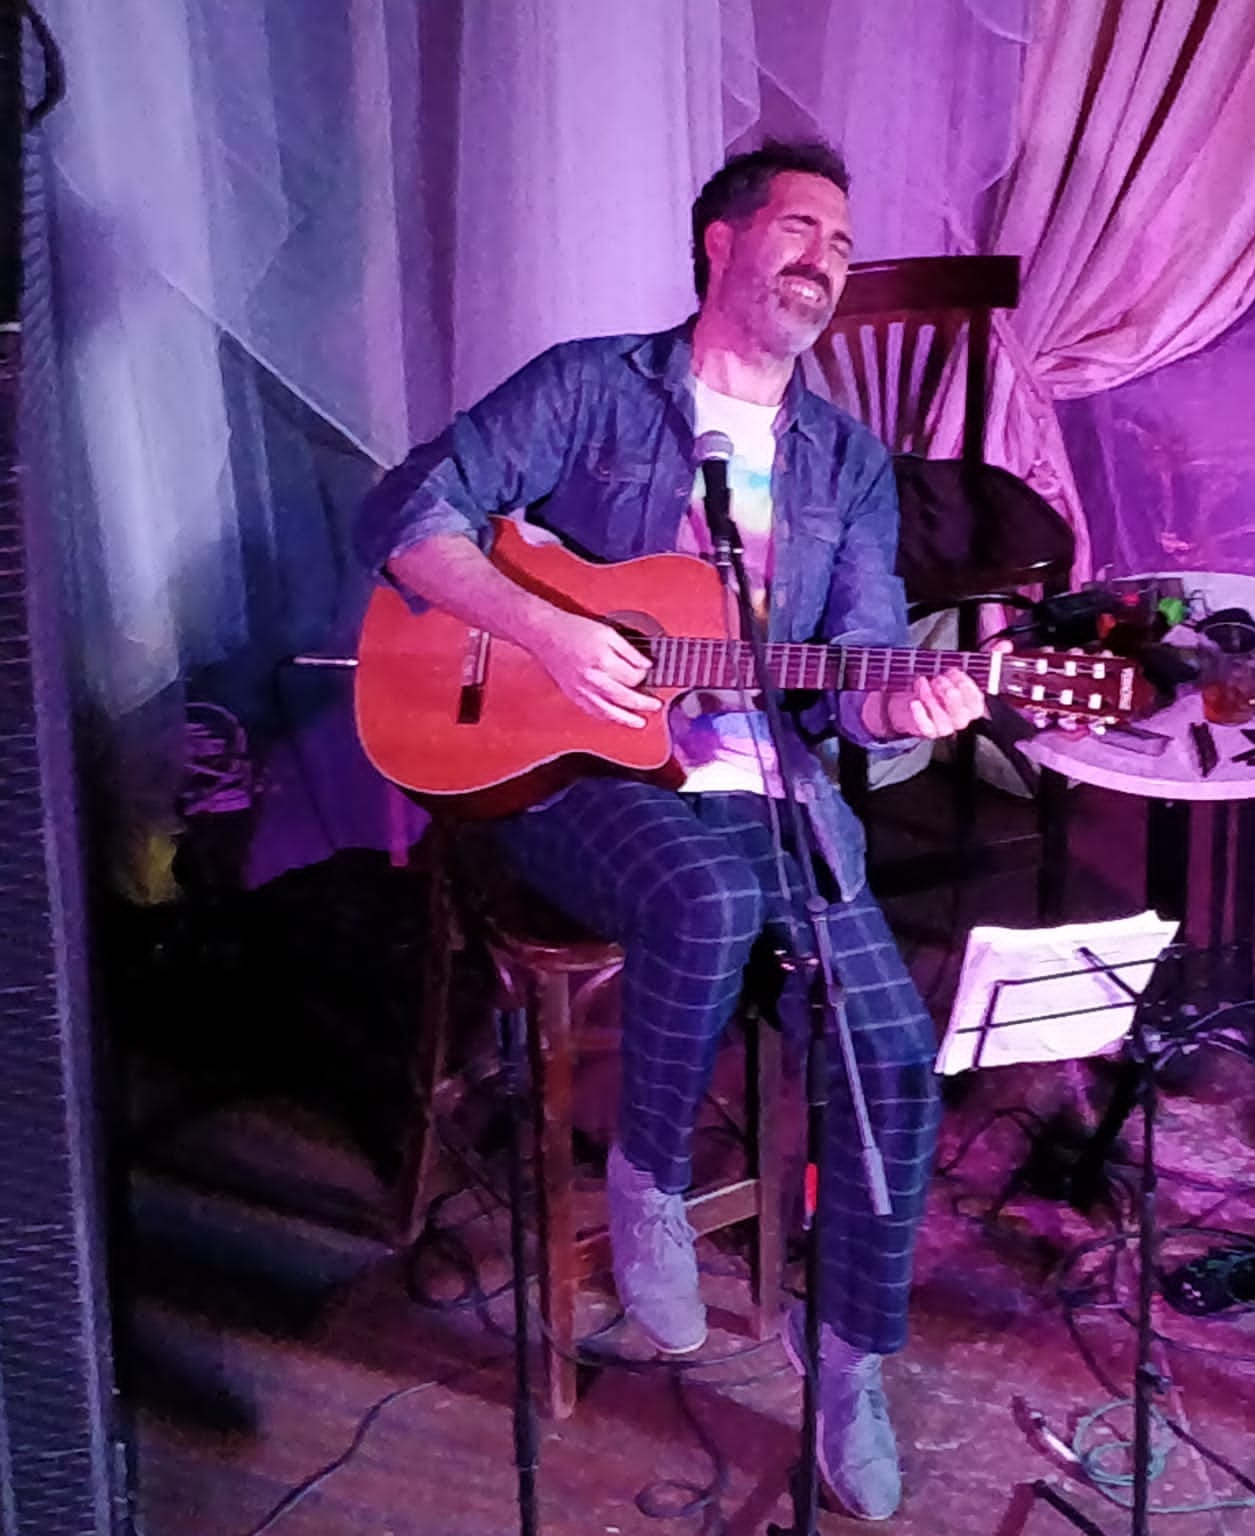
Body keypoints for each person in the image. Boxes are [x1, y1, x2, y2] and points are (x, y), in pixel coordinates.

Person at [358, 140, 979, 1522]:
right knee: (702, 897)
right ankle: (647, 1177)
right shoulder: (594, 388)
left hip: (771, 799)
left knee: (892, 1064)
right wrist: (548, 634)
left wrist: (911, 707)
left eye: (844, 243)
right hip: (574, 779)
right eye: (801, 228)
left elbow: (862, 674)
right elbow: (407, 515)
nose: (826, 260)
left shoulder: (847, 465)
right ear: (722, 242)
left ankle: (849, 1366)